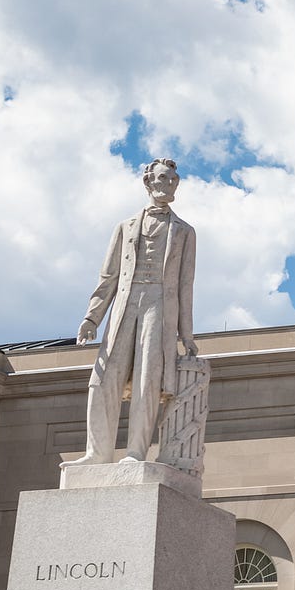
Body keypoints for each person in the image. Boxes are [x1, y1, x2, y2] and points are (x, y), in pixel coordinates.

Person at [63, 158, 197, 466]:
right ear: (149, 182)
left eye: (174, 180)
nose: (171, 184)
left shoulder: (185, 232)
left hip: (159, 306)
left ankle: (136, 452)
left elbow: (186, 284)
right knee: (103, 379)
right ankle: (96, 454)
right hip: (125, 303)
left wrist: (186, 334)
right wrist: (92, 317)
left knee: (147, 380)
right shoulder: (125, 227)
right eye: (165, 178)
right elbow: (108, 276)